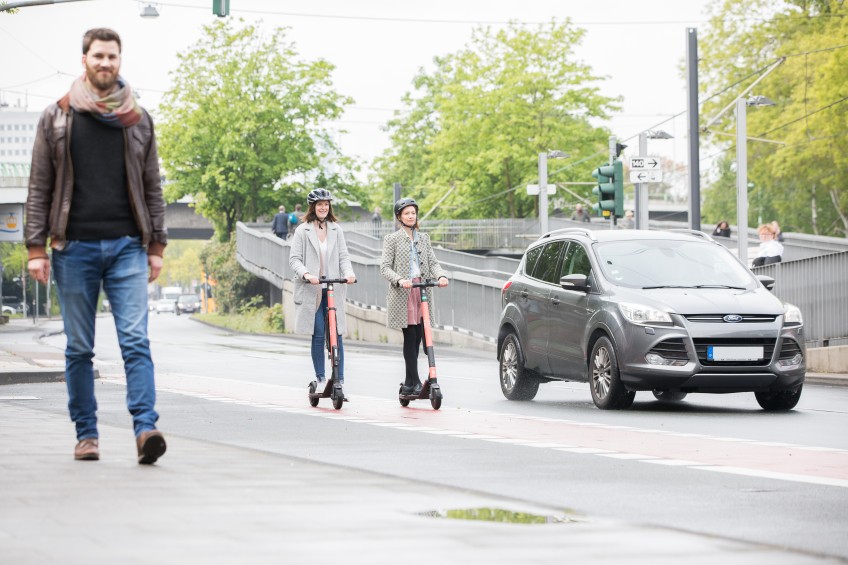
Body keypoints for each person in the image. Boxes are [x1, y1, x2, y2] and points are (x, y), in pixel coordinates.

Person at [25, 28, 167, 464]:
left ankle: (146, 429)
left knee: (135, 341)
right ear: (84, 59)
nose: (106, 63)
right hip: (74, 248)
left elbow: (152, 186)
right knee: (78, 348)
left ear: (120, 61)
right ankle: (87, 434)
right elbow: (40, 187)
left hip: (127, 246)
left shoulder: (138, 119)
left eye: (112, 56)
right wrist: (35, 248)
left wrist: (157, 244)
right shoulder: (57, 117)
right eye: (99, 56)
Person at [289, 189, 356, 395]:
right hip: (312, 289)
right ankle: (320, 377)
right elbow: (294, 260)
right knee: (318, 333)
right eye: (320, 205)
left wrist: (349, 273)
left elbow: (343, 257)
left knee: (337, 334)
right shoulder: (303, 231)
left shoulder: (336, 229)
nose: (323, 208)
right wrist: (307, 274)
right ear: (312, 207)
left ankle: (340, 380)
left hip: (333, 287)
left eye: (326, 204)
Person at [380, 198, 449, 395]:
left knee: (420, 335)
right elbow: (384, 267)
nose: (411, 216)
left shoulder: (424, 238)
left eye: (413, 213)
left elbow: (433, 262)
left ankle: (410, 382)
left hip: (422, 289)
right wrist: (400, 280)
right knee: (410, 336)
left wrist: (441, 275)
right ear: (399, 217)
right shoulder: (392, 239)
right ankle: (414, 381)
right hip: (404, 292)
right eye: (407, 213)